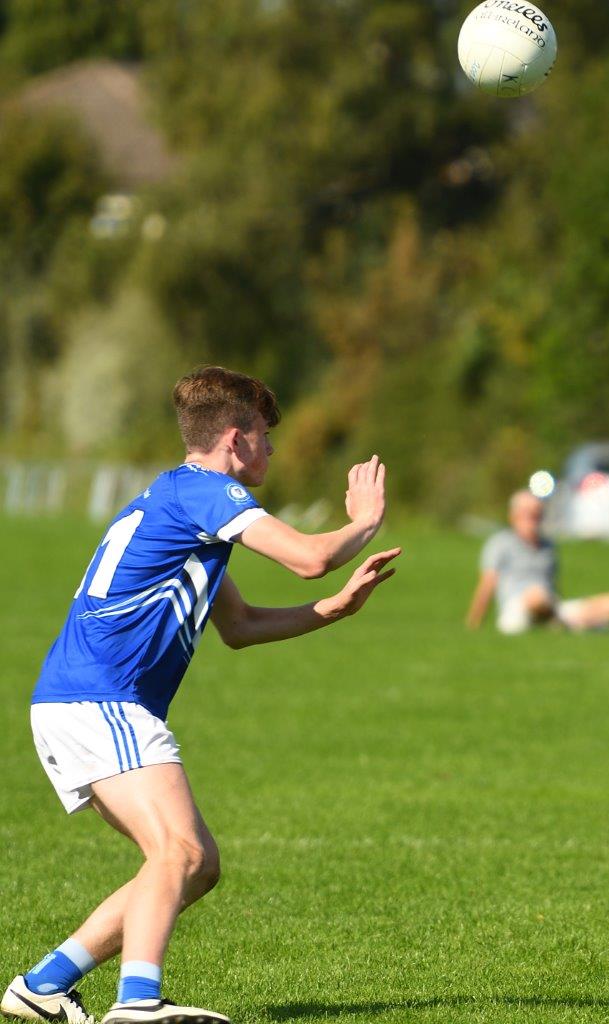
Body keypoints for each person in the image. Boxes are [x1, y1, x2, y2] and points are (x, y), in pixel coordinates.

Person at [2, 367, 401, 1024]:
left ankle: (44, 984)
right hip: (101, 698)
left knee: (195, 863)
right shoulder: (206, 493)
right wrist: (366, 521)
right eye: (266, 438)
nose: (272, 451)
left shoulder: (178, 503)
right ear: (236, 441)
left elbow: (239, 628)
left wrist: (332, 610)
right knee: (177, 852)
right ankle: (137, 1002)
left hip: (79, 700)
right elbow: (306, 555)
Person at [464, 490, 609, 634]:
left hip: (551, 605)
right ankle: (570, 623)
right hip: (516, 610)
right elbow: (487, 584)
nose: (533, 519)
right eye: (527, 514)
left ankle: (562, 622)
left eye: (537, 514)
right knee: (536, 596)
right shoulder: (500, 544)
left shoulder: (548, 546)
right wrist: (474, 622)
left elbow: (553, 584)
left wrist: (556, 603)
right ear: (513, 516)